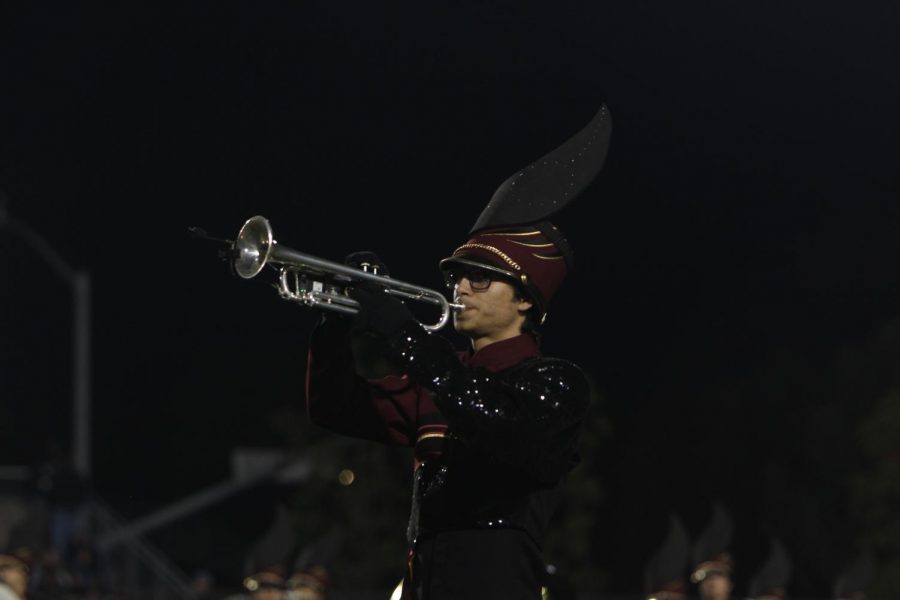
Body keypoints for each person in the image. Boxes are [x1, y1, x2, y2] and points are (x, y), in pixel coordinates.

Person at [304, 105, 611, 599]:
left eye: (480, 279)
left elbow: (493, 418)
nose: (460, 288)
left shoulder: (556, 381)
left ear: (526, 298)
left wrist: (402, 334)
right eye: (456, 278)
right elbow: (333, 407)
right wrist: (336, 323)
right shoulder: (441, 374)